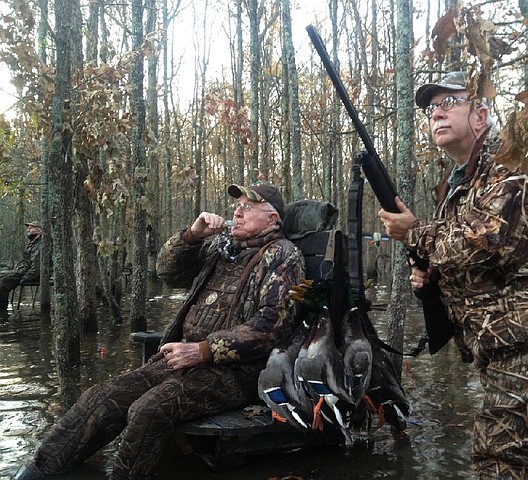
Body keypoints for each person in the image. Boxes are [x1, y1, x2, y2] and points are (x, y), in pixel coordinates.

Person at [379, 71, 528, 479]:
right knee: (519, 455)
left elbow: (492, 242)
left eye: (449, 103)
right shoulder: (459, 181)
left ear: (480, 115)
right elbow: (462, 254)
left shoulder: (516, 161)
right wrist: (432, 276)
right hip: (506, 336)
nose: (436, 115)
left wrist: (415, 232)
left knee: (501, 462)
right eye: (431, 109)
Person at [17, 183, 305, 480]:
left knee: (149, 410)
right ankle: (38, 471)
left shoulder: (283, 256)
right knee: (102, 396)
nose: (237, 211)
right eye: (237, 205)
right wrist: (191, 236)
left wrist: (201, 351)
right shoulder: (220, 248)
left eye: (248, 207)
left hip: (236, 372)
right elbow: (167, 272)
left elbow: (271, 328)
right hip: (180, 360)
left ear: (272, 219)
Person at [0, 221, 43, 312]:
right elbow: (26, 262)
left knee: (2, 284)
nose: (28, 230)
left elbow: (37, 267)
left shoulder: (41, 245)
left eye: (31, 228)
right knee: (2, 279)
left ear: (39, 230)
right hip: (23, 273)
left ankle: (2, 312)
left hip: (32, 275)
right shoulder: (33, 243)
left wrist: (26, 277)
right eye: (28, 228)